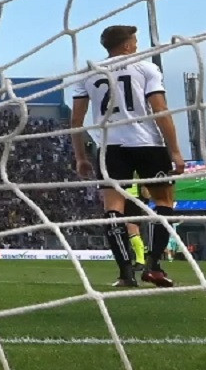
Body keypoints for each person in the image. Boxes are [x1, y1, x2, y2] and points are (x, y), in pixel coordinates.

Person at [68, 25, 188, 288]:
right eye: (134, 41)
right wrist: (176, 151)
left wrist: (80, 156)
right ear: (125, 45)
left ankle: (125, 274)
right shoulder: (146, 68)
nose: (136, 45)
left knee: (113, 208)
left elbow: (76, 120)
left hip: (111, 147)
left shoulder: (88, 72)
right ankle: (154, 266)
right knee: (164, 201)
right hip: (148, 144)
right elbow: (160, 109)